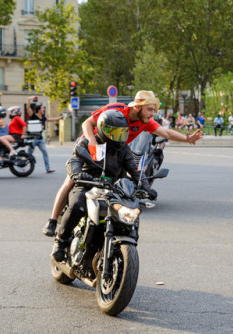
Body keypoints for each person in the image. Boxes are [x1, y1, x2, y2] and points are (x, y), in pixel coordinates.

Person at [42, 90, 203, 237]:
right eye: (150, 109)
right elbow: (87, 124)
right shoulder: (116, 109)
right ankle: (53, 220)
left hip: (115, 151)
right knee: (71, 180)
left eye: (154, 110)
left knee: (119, 185)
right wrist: (92, 142)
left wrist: (187, 139)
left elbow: (166, 132)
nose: (152, 114)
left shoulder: (145, 121)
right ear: (138, 107)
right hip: (92, 144)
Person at [51, 110, 157, 261]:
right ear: (103, 129)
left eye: (122, 132)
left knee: (130, 212)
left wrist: (146, 187)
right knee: (77, 205)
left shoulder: (124, 149)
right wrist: (77, 174)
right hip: (87, 184)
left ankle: (123, 243)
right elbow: (74, 161)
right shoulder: (87, 142)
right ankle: (60, 241)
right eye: (115, 132)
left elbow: (135, 170)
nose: (119, 137)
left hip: (112, 189)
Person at [26, 99, 63, 173]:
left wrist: (59, 118)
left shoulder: (43, 117)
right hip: (33, 139)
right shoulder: (33, 116)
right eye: (42, 108)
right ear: (39, 109)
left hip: (40, 139)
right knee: (28, 154)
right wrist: (29, 100)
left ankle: (47, 169)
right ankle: (22, 166)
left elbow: (50, 119)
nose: (44, 109)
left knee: (45, 153)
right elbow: (28, 108)